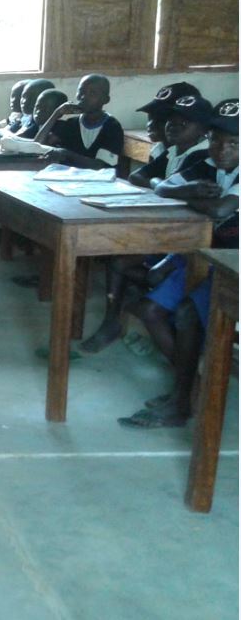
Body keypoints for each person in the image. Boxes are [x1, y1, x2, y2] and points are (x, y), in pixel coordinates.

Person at [119, 98, 239, 428]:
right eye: (216, 140)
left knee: (186, 312)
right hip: (203, 255)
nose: (222, 149)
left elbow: (220, 209)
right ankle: (190, 387)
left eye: (233, 143)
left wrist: (188, 194)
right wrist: (190, 190)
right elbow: (160, 186)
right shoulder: (208, 166)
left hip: (230, 265)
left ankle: (183, 398)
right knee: (149, 310)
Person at [79, 92, 213, 353]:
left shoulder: (202, 157)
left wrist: (162, 186)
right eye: (171, 120)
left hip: (187, 240)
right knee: (118, 260)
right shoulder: (173, 151)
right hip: (166, 230)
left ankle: (137, 312)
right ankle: (113, 321)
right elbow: (139, 177)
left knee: (125, 261)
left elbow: (166, 188)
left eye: (184, 123)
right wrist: (160, 185)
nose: (173, 126)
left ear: (203, 131)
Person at [35, 74, 123, 170]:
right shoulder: (71, 124)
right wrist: (56, 114)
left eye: (92, 93)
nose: (83, 97)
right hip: (69, 177)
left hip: (100, 178)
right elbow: (37, 147)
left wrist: (67, 154)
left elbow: (100, 166)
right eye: (81, 91)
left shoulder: (112, 127)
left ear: (105, 99)